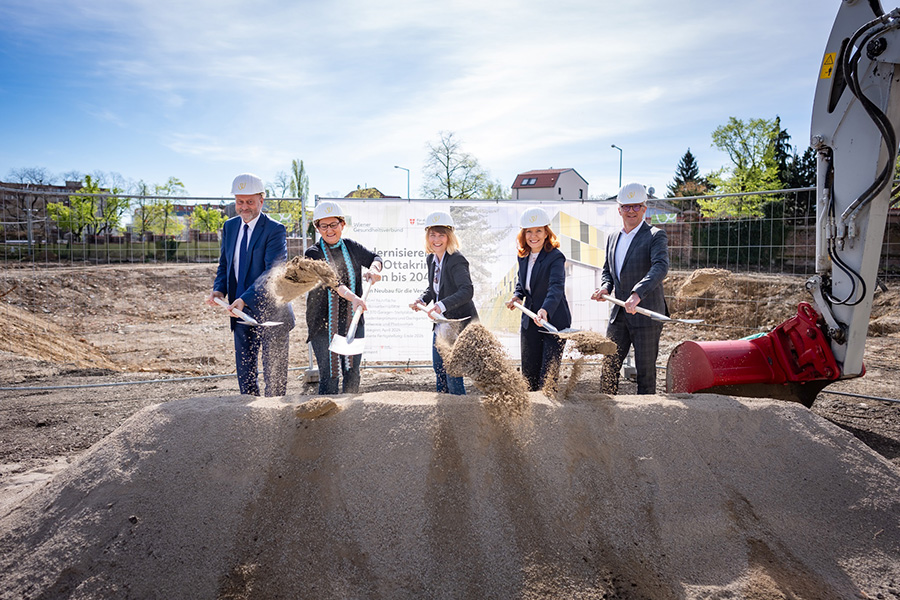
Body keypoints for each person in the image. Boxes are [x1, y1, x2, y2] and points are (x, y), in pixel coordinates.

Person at [207, 173, 295, 396]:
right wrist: (219, 289)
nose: (244, 207)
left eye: (250, 202)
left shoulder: (275, 229)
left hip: (272, 313)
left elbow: (272, 272)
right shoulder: (230, 227)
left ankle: (276, 424)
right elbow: (226, 264)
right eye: (239, 201)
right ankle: (251, 423)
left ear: (261, 201)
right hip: (240, 314)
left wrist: (244, 298)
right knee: (246, 377)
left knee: (274, 380)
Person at [591, 182, 669, 395]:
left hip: (646, 314)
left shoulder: (655, 235)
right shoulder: (613, 237)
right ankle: (605, 412)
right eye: (626, 206)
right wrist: (605, 287)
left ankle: (645, 418)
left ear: (644, 208)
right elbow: (608, 270)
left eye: (636, 206)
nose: (631, 211)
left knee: (645, 372)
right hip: (619, 315)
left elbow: (660, 267)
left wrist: (637, 294)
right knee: (609, 367)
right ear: (619, 210)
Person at [305, 201, 383, 395]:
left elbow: (376, 257)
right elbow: (332, 281)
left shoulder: (351, 247)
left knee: (352, 372)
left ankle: (350, 416)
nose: (329, 230)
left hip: (353, 321)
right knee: (330, 375)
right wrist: (354, 298)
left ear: (342, 225)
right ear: (317, 227)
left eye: (334, 225)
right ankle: (327, 419)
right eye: (324, 225)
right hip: (321, 323)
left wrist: (374, 269)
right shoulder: (312, 253)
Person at [409, 211, 478, 395]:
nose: (436, 239)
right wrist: (422, 299)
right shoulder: (431, 259)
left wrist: (441, 305)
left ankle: (459, 412)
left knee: (453, 372)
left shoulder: (457, 259)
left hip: (457, 323)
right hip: (441, 324)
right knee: (439, 369)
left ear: (449, 237)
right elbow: (434, 288)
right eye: (432, 234)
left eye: (441, 235)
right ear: (427, 237)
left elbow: (466, 291)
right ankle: (445, 410)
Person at [505, 207, 572, 391]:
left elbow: (556, 287)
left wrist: (545, 310)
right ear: (523, 234)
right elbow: (523, 283)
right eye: (529, 231)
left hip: (553, 321)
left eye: (538, 231)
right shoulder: (524, 256)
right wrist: (517, 296)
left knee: (548, 375)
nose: (533, 236)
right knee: (529, 373)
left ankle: (550, 413)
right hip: (530, 321)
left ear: (546, 232)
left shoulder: (555, 257)